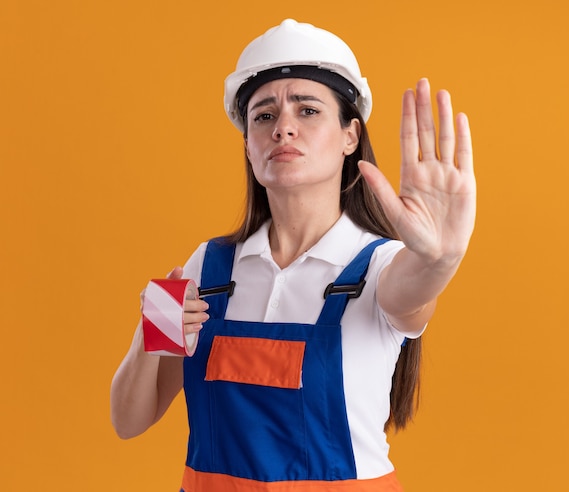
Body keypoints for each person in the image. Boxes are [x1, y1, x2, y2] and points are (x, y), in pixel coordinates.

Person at [111, 18, 476, 492]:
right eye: (263, 115)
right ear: (247, 144)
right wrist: (152, 328)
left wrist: (440, 259)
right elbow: (128, 421)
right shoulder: (207, 266)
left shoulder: (382, 267)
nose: (283, 128)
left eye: (307, 111)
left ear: (350, 136)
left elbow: (416, 289)